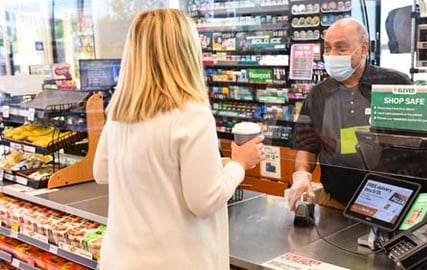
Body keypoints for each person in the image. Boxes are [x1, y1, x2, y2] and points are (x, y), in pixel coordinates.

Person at [93, 9, 266, 269]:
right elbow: (204, 201)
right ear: (186, 51)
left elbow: (103, 172)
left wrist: (211, 165)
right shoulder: (191, 114)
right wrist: (238, 164)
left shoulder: (121, 111)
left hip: (121, 259)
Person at [288, 18, 411, 211]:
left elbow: (414, 144)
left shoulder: (394, 83)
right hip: (336, 202)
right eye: (327, 48)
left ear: (363, 49)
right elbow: (307, 146)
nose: (331, 55)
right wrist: (302, 174)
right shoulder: (319, 94)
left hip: (391, 204)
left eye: (341, 48)